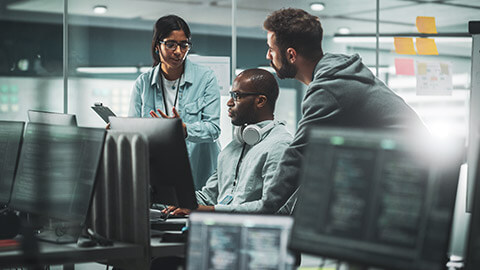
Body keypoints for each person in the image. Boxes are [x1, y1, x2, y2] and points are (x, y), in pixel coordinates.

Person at [260, 8, 428, 213]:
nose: (267, 55)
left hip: (406, 183)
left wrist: (265, 211)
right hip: (403, 175)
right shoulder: (337, 72)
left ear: (291, 55)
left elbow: (298, 155)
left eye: (271, 49)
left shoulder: (329, 87)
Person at [165, 68, 292, 216]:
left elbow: (272, 207)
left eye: (236, 96)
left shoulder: (280, 146)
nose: (229, 102)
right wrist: (175, 199)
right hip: (221, 229)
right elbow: (208, 198)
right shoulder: (233, 148)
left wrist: (212, 210)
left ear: (260, 101)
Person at [129, 15, 221, 190]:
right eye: (171, 44)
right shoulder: (143, 83)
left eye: (184, 45)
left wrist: (185, 130)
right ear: (157, 46)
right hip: (159, 175)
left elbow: (214, 129)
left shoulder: (206, 78)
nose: (178, 51)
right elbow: (135, 130)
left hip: (200, 178)